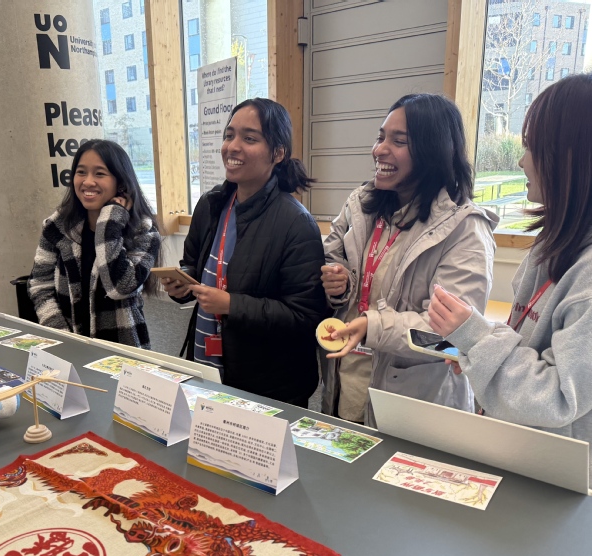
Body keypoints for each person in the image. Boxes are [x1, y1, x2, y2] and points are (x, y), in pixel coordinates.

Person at [429, 74, 592, 473]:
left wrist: (477, 339)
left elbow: (558, 398)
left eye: (531, 148)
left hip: (555, 476)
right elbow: (527, 347)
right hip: (521, 455)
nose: (522, 162)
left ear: (570, 157)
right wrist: (479, 353)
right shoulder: (554, 245)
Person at [320, 93, 497, 425]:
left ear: (432, 151)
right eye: (380, 137)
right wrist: (341, 282)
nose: (379, 150)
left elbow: (449, 340)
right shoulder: (361, 204)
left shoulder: (465, 229)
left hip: (416, 406)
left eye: (398, 141)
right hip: (347, 380)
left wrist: (374, 326)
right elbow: (334, 254)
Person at [163, 98, 327, 407]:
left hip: (268, 386)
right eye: (229, 135)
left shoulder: (296, 223)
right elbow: (193, 265)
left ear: (278, 153)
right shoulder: (211, 204)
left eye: (249, 139)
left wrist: (232, 305)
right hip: (207, 363)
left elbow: (306, 317)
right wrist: (182, 283)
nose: (232, 147)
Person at [28, 139, 161, 349]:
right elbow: (39, 285)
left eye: (99, 174)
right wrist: (61, 335)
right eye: (81, 172)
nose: (88, 182)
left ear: (121, 182)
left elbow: (120, 287)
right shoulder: (57, 227)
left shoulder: (143, 231)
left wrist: (110, 222)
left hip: (122, 348)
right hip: (66, 345)